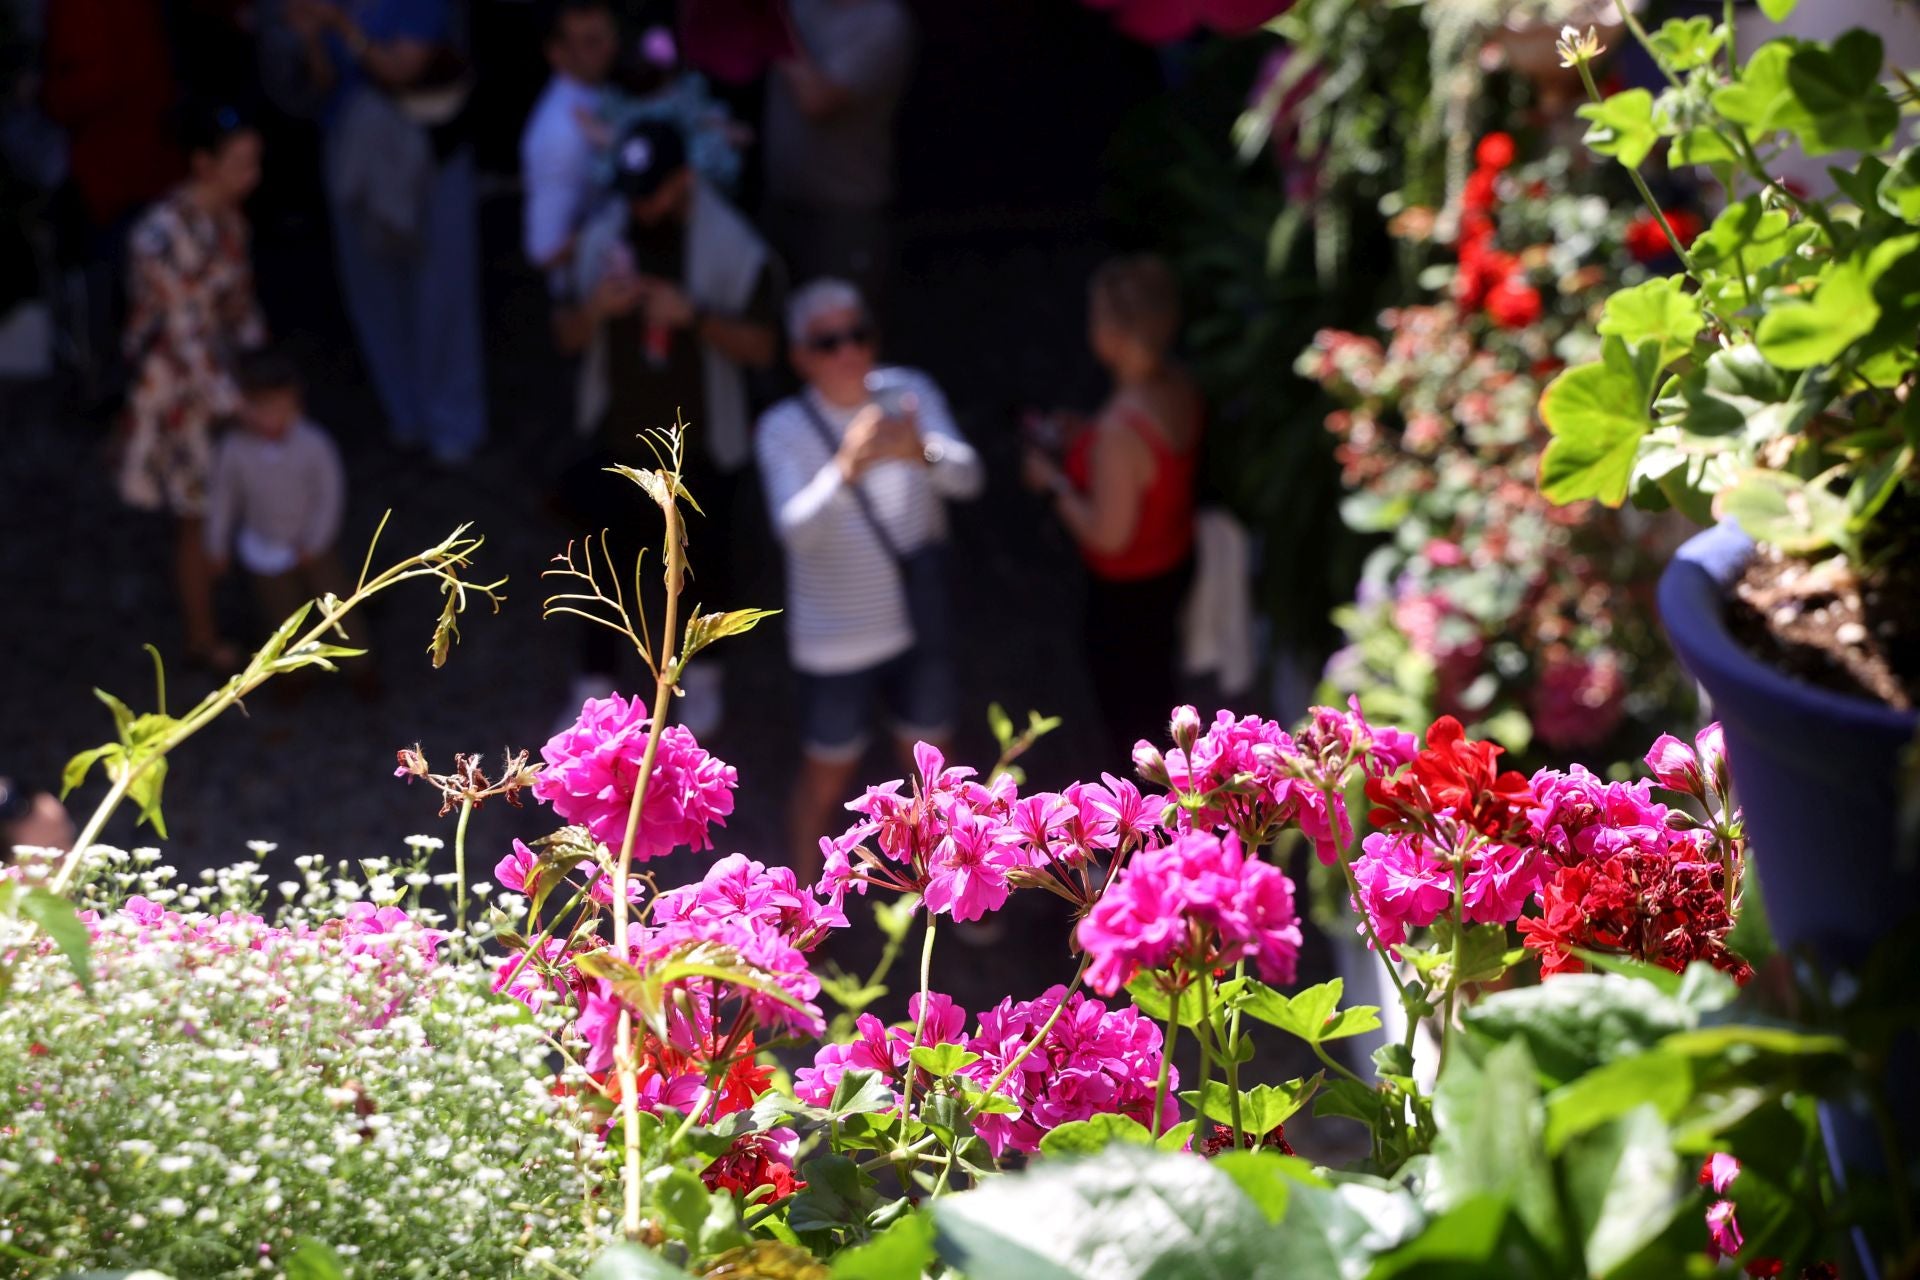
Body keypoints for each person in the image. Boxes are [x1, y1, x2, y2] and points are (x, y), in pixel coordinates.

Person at [552, 119, 781, 735]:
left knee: (704, 567)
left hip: (701, 447)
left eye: (652, 191)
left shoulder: (732, 244)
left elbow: (765, 348)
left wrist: (695, 317)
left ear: (684, 180)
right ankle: (593, 684)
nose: (640, 205)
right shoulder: (603, 235)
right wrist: (596, 309)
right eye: (631, 192)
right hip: (616, 440)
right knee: (603, 567)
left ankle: (702, 678)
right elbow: (564, 335)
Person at [756, 278, 982, 882]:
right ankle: (797, 911)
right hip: (835, 640)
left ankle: (959, 892)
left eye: (857, 334)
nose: (849, 351)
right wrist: (845, 468)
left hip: (917, 622)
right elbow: (795, 530)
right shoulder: (782, 426)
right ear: (800, 356)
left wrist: (922, 451)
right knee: (825, 776)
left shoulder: (909, 391)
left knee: (935, 776)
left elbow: (969, 477)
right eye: (828, 342)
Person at [283, 0, 487, 467]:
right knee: (373, 291)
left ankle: (452, 423)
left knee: (441, 289)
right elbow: (320, 86)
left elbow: (403, 69)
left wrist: (337, 23)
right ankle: (407, 414)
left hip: (424, 147)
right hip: (356, 149)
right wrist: (313, 38)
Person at [1023, 254, 1201, 754]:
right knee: (1160, 688)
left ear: (1114, 335)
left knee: (1134, 719)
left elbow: (1108, 536)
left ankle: (1144, 797)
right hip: (1173, 563)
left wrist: (1052, 483)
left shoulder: (1118, 431)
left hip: (1128, 596)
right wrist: (1085, 438)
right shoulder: (1176, 384)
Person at [119, 102, 267, 672]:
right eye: (240, 164)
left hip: (224, 375)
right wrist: (239, 405)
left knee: (241, 495)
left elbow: (240, 308)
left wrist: (260, 369)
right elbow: (183, 335)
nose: (251, 176)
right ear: (203, 163)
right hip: (178, 394)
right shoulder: (159, 235)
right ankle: (202, 636)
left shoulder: (230, 220)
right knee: (197, 513)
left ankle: (264, 609)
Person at [762, 0, 914, 319]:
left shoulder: (882, 22)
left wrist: (774, 25)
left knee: (838, 332)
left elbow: (816, 100)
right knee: (780, 325)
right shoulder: (801, 5)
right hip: (782, 201)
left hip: (845, 215)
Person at [204, 349, 350, 640]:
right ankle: (293, 666)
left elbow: (330, 496)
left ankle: (360, 662)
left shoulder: (314, 443)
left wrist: (314, 541)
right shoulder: (233, 449)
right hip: (264, 548)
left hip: (314, 547)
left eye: (280, 406)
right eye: (260, 407)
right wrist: (216, 545)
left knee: (339, 609)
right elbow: (222, 500)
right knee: (282, 619)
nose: (270, 417)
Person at [521, 0, 620, 273]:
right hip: (592, 288)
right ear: (557, 53)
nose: (608, 48)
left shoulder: (600, 93)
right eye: (591, 42)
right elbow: (546, 250)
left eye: (610, 35)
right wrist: (622, 225)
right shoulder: (561, 132)